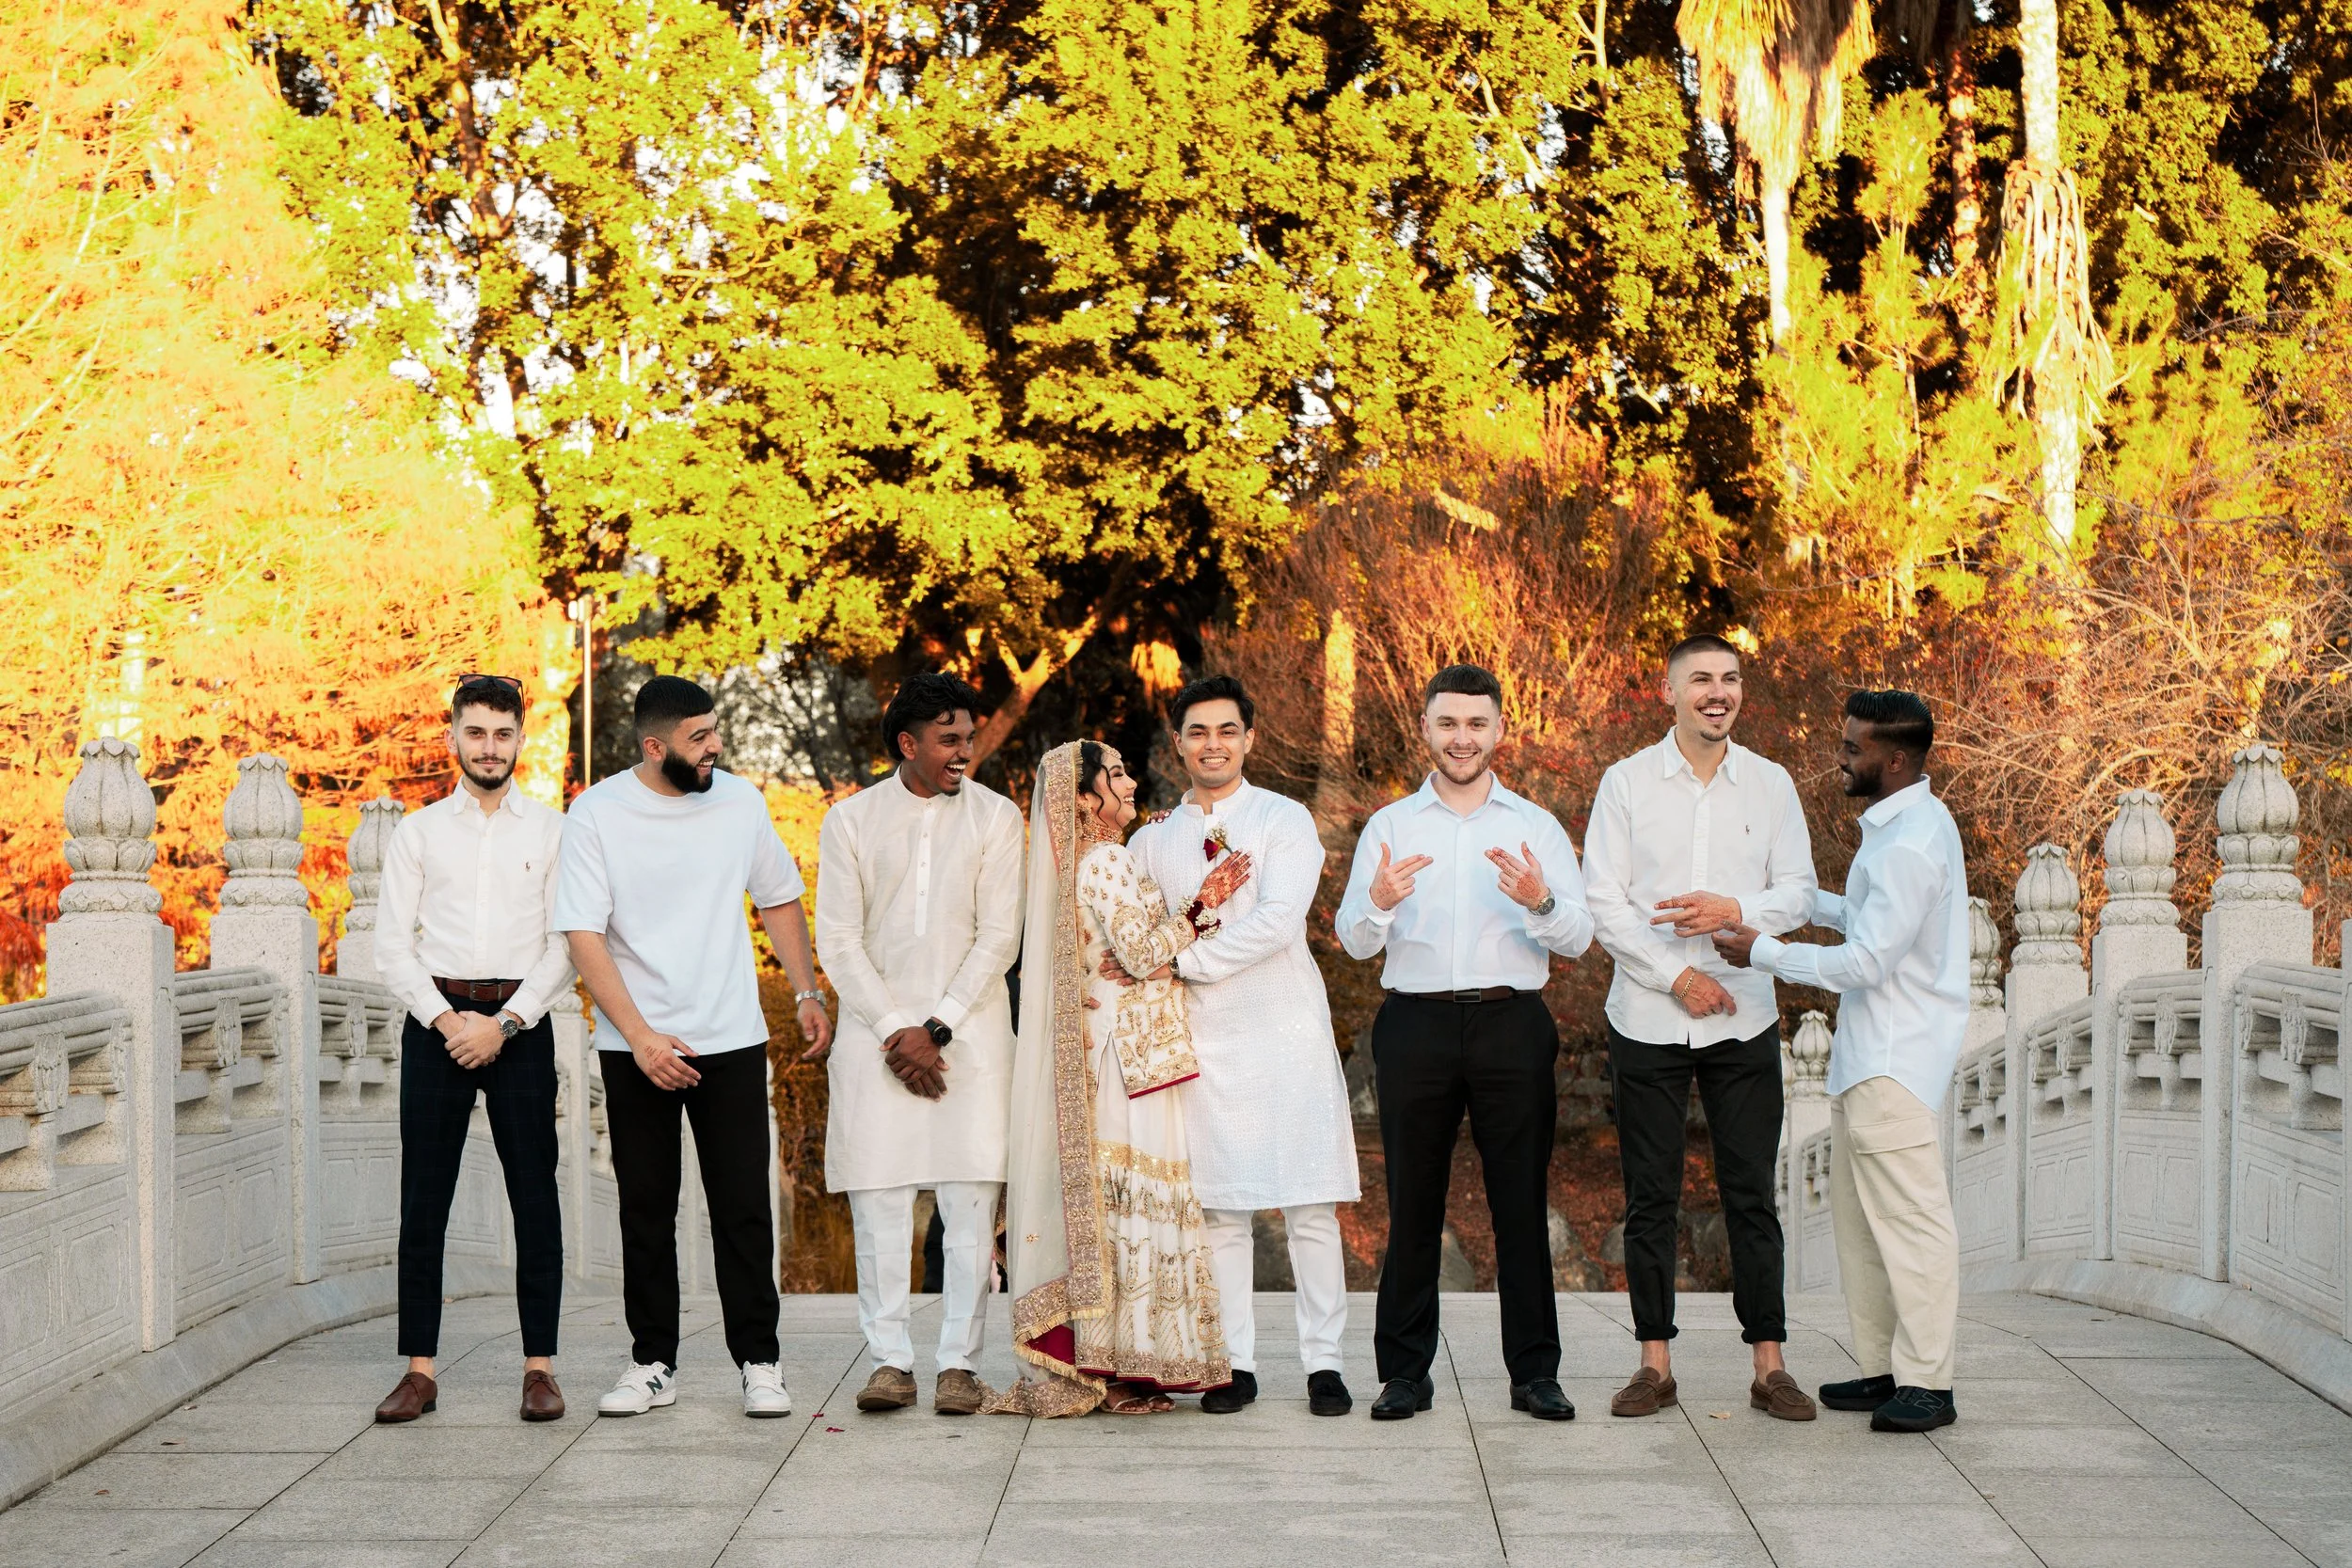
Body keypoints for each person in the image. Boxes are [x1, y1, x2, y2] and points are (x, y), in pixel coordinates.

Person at [554, 675, 834, 1419]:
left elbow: (777, 894)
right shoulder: (597, 813)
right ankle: (652, 1362)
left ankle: (760, 1361)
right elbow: (583, 934)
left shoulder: (740, 802)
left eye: (715, 731)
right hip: (633, 1045)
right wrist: (641, 1039)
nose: (715, 747)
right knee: (645, 1211)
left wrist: (806, 991)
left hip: (732, 1039)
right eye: (699, 737)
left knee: (742, 1208)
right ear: (654, 746)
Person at [1334, 663, 1594, 1423]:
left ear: (1500, 730)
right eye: (1448, 723)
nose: (1462, 737)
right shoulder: (1389, 826)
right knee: (1414, 1201)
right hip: (1414, 1022)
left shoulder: (1536, 825)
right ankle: (1404, 1373)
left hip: (1512, 1022)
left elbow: (1579, 933)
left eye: (1477, 724)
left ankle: (1535, 1373)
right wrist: (1378, 903)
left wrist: (1539, 899)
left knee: (1521, 1203)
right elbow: (1353, 941)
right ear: (1425, 728)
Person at [1713, 689, 1969, 1433]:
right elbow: (1867, 920)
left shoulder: (1913, 842)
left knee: (1914, 1226)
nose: (1842, 757)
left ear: (1894, 759)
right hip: (1867, 1059)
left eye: (1854, 748)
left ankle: (1930, 1383)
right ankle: (1887, 1368)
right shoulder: (1901, 827)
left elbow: (1864, 963)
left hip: (1895, 1060)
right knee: (1862, 1226)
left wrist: (1761, 951)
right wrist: (1792, 903)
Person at [1582, 634, 1820, 1422]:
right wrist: (1677, 975)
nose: (1717, 692)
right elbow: (1604, 903)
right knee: (1652, 1196)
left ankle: (1771, 1365)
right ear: (1669, 691)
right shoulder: (1625, 784)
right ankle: (1654, 1363)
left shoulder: (1772, 784)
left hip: (1745, 1016)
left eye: (1730, 679)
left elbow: (1800, 890)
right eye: (1700, 680)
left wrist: (1737, 912)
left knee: (1752, 1193)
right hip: (1647, 1017)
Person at [990, 740, 1248, 1416]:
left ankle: (1116, 1361)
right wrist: (1203, 906)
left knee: (1122, 1203)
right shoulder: (1103, 858)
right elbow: (1137, 951)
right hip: (1128, 1059)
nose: (1131, 781)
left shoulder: (1091, 858)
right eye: (1117, 774)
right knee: (1134, 1196)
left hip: (1122, 1051)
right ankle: (1122, 1366)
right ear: (1082, 797)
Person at [1128, 675, 1359, 1418]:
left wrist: (1184, 958)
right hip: (1204, 1038)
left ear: (1249, 738)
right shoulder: (1151, 837)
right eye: (1198, 732)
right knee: (1221, 1211)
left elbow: (1278, 923)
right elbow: (1134, 929)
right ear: (1178, 744)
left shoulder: (1283, 819)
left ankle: (1324, 1363)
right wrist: (1168, 960)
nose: (1213, 744)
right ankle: (1232, 1362)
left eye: (1227, 730)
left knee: (1309, 1204)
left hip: (1284, 1027)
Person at [812, 673, 1025, 1417]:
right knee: (880, 1200)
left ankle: (959, 1366)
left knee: (969, 1202)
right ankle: (890, 1362)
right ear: (908, 743)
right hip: (878, 1042)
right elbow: (836, 940)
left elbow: (1000, 935)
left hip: (968, 1039)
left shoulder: (997, 819)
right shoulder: (851, 822)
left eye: (968, 737)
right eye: (949, 739)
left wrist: (936, 1029)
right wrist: (894, 1030)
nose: (964, 751)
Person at [373, 674, 575, 1424]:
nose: (490, 747)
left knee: (536, 1201)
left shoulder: (553, 831)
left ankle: (539, 1368)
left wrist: (506, 1023)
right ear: (453, 736)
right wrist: (447, 1020)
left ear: (521, 739)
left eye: (503, 733)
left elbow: (566, 947)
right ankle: (420, 1371)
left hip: (521, 1026)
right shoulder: (419, 832)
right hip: (438, 1028)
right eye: (477, 732)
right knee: (424, 1201)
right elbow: (391, 947)